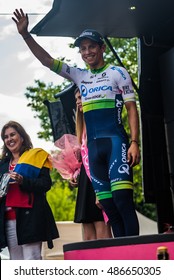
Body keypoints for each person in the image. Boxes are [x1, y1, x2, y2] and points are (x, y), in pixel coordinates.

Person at [12, 9, 141, 237]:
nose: (87, 51)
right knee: (109, 207)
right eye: (83, 48)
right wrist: (25, 35)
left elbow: (132, 108)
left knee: (122, 200)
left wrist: (134, 142)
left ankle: (135, 254)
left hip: (116, 144)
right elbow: (46, 60)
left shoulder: (118, 73)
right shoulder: (80, 76)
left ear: (102, 48)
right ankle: (124, 255)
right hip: (93, 150)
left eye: (92, 46)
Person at [0, 121, 59, 260]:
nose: (9, 139)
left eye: (12, 134)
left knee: (31, 260)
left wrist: (23, 181)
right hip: (8, 221)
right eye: (6, 137)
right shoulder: (2, 164)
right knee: (16, 262)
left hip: (30, 219)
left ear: (21, 136)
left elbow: (45, 184)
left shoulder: (35, 157)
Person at [71, 87, 112, 240]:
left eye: (81, 97)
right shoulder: (82, 128)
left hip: (98, 181)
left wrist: (101, 189)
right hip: (85, 182)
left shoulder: (100, 123)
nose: (78, 102)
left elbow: (106, 157)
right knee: (88, 235)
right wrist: (76, 173)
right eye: (76, 99)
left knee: (102, 230)